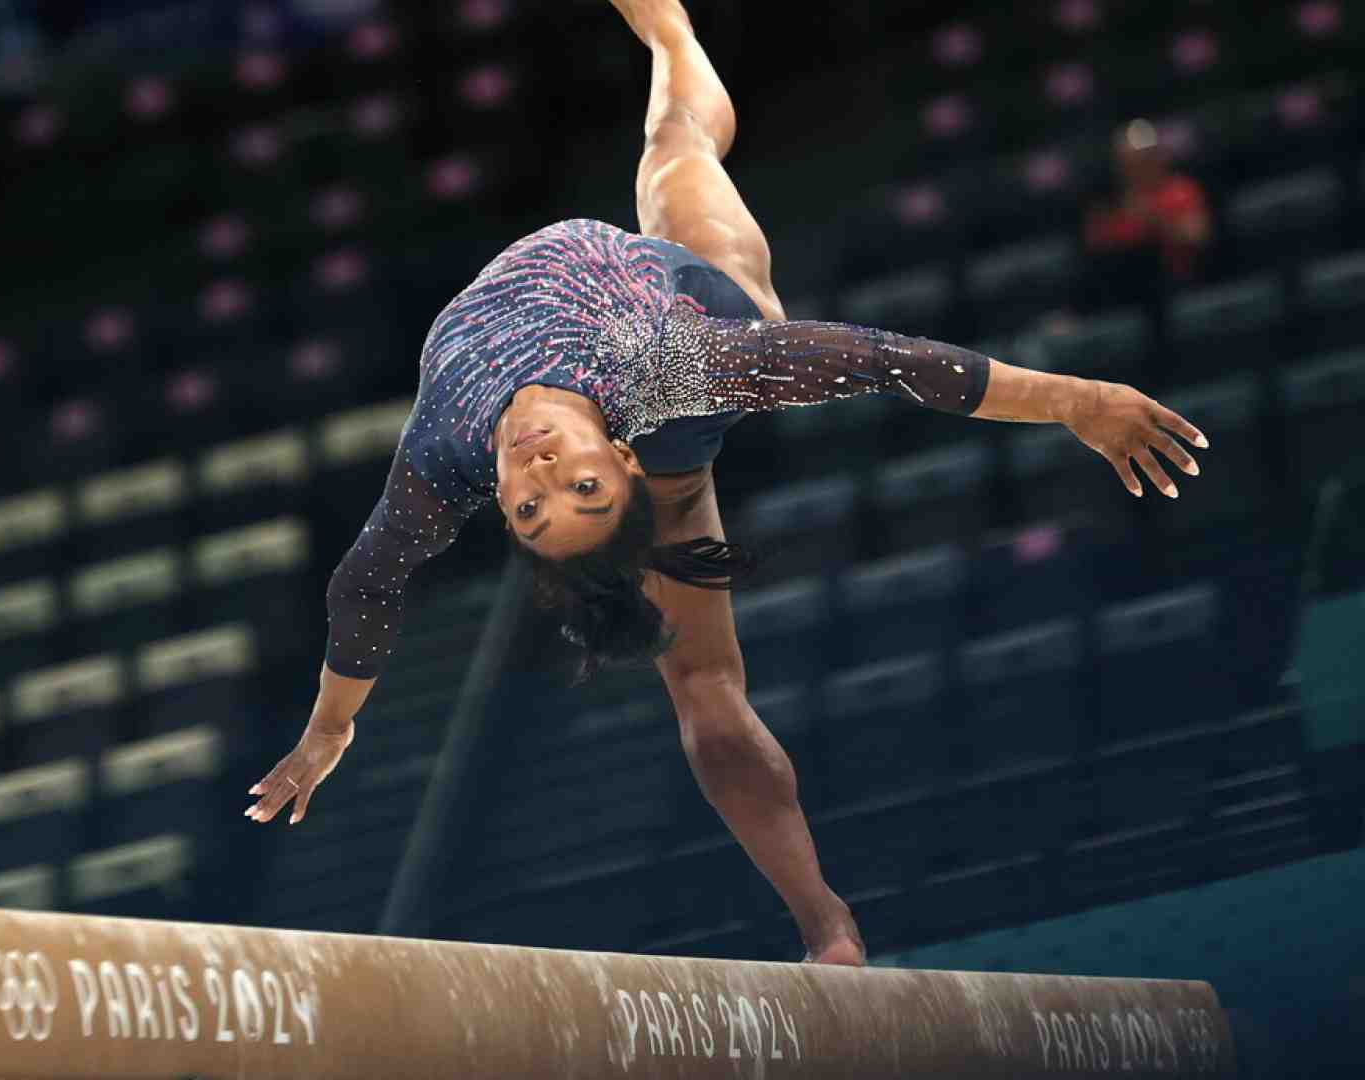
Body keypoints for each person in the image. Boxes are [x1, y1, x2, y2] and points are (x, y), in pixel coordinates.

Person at [243, 0, 1209, 966]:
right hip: (694, 314)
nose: (542, 474)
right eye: (579, 494)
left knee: (676, 121)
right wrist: (1077, 400)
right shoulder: (675, 371)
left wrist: (332, 729)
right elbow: (889, 359)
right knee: (706, 690)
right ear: (620, 463)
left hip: (647, 328)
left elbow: (365, 586)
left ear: (500, 503)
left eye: (533, 507)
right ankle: (828, 925)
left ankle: (671, 33)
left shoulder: (446, 453)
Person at [1085, 118, 1213, 283]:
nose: (1134, 170)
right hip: (1127, 289)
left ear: (1156, 159)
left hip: (1181, 283)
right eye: (1126, 164)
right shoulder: (1111, 205)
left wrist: (1153, 219)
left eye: (1141, 161)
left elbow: (1200, 234)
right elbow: (1096, 248)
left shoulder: (1180, 190)